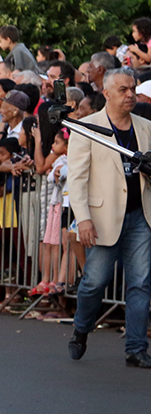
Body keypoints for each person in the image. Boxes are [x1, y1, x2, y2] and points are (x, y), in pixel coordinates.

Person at [66, 67, 151, 367]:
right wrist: (83, 218)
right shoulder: (87, 126)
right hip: (103, 218)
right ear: (107, 92)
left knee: (140, 283)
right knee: (94, 282)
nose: (130, 94)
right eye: (124, 89)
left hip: (141, 216)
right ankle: (81, 329)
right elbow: (76, 178)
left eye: (133, 88)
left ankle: (136, 349)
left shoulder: (145, 126)